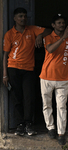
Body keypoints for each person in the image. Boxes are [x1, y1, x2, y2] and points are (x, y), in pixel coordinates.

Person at [3, 7, 52, 136]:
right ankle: (20, 125)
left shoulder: (32, 29)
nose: (23, 18)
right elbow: (5, 55)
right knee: (17, 97)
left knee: (29, 97)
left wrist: (40, 35)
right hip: (13, 68)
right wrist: (4, 74)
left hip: (29, 69)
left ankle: (29, 124)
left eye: (24, 16)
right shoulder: (9, 34)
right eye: (20, 16)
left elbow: (49, 30)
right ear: (14, 18)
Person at [39, 14, 68, 145]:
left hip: (62, 79)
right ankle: (50, 128)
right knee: (47, 105)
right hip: (46, 77)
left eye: (63, 23)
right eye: (58, 23)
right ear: (53, 25)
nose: (61, 25)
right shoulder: (48, 37)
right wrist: (63, 38)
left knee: (61, 107)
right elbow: (50, 49)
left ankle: (61, 133)